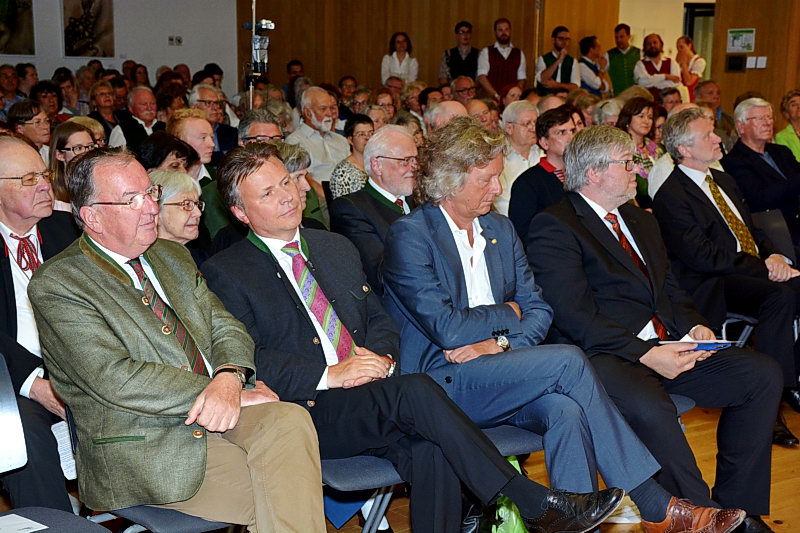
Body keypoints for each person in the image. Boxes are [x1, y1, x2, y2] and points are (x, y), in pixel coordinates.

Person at [200, 141, 628, 533]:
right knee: (419, 390)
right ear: (241, 212)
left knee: (432, 449)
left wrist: (382, 360)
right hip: (309, 409)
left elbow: (380, 319)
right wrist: (331, 374)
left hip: (376, 394)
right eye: (268, 193)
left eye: (286, 182)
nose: (288, 196)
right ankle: (531, 501)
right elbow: (248, 356)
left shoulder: (333, 247)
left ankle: (522, 506)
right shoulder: (228, 272)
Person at [380, 117, 746, 533]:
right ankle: (655, 504)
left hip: (503, 370)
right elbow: (447, 328)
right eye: (486, 180)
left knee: (566, 410)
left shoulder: (499, 229)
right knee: (569, 361)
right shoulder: (411, 235)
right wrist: (510, 313)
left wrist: (500, 344)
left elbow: (539, 310)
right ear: (450, 180)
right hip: (439, 385)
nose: (497, 189)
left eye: (498, 177)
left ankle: (580, 521)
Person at [27, 147, 326, 532]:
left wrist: (230, 378)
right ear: (92, 217)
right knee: (287, 491)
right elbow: (114, 378)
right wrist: (216, 391)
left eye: (149, 192)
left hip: (220, 409)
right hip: (143, 441)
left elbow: (226, 326)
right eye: (132, 200)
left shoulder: (171, 256)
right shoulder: (59, 283)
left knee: (290, 420)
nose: (151, 208)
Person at [528, 124, 779, 533]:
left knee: (760, 374)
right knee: (651, 408)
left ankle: (738, 509)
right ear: (593, 173)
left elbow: (669, 288)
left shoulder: (639, 219)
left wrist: (694, 325)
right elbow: (574, 315)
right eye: (627, 163)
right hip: (606, 354)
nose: (636, 172)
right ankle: (699, 515)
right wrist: (645, 353)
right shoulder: (555, 225)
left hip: (665, 343)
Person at [652, 107, 800, 452]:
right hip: (712, 283)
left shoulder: (723, 181)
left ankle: (790, 379)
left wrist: (776, 257)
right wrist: (762, 267)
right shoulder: (672, 195)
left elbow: (751, 232)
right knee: (779, 296)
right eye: (708, 135)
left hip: (746, 271)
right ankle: (774, 401)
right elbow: (702, 256)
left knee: (792, 286)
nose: (718, 138)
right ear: (684, 148)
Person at [0, 134, 78, 513]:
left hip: (80, 364)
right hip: (10, 377)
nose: (46, 186)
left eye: (44, 174)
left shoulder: (70, 229)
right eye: (29, 179)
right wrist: (35, 384)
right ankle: (55, 521)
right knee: (22, 431)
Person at [330, 125, 415, 293]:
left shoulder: (421, 199)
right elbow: (380, 276)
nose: (414, 167)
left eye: (415, 159)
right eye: (405, 160)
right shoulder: (351, 209)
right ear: (377, 165)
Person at [722, 98, 800, 245]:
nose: (768, 123)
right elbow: (761, 197)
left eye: (769, 117)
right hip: (772, 231)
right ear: (740, 126)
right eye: (760, 118)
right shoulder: (734, 161)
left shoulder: (781, 152)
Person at [508, 106, 574, 245]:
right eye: (561, 133)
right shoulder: (527, 183)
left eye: (572, 131)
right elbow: (523, 234)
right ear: (544, 143)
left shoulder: (584, 174)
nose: (571, 138)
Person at [167, 109, 232, 239]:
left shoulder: (220, 180)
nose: (212, 144)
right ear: (179, 141)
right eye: (203, 138)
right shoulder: (164, 183)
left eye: (211, 137)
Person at [286, 86, 350, 185]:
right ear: (308, 113)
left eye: (331, 108)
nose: (329, 113)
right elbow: (302, 180)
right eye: (323, 108)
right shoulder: (294, 142)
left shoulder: (341, 140)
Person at [148, 169, 207, 265]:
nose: (198, 213)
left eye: (197, 204)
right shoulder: (143, 264)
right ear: (156, 210)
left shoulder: (202, 260)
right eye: (187, 204)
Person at [494, 100, 540, 216]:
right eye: (527, 123)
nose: (533, 128)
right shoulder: (499, 160)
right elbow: (501, 205)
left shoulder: (543, 155)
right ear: (509, 128)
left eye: (535, 123)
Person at [616, 97, 663, 207]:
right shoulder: (621, 151)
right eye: (641, 116)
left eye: (650, 117)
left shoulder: (658, 148)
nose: (646, 121)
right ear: (628, 119)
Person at [49, 121, 97, 212]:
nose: (86, 153)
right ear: (60, 155)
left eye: (90, 146)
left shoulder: (99, 183)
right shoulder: (51, 194)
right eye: (78, 148)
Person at [477, 18, 526, 101]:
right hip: (492, 100)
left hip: (512, 102)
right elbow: (482, 77)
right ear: (495, 32)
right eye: (500, 30)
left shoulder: (519, 53)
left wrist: (515, 96)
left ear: (510, 31)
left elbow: (522, 78)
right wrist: (496, 95)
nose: (504, 33)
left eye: (506, 29)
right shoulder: (486, 52)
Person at [189, 84, 238, 166]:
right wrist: (221, 155)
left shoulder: (231, 133)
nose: (215, 108)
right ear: (194, 107)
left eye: (217, 103)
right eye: (208, 103)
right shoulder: (187, 132)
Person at [108, 87, 165, 152]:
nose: (149, 108)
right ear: (131, 108)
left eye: (153, 103)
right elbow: (113, 156)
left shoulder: (165, 127)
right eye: (144, 104)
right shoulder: (121, 130)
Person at [330, 114, 373, 199]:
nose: (368, 138)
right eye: (361, 134)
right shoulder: (343, 172)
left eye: (371, 133)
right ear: (350, 140)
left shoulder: (379, 164)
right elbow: (343, 204)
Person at [634, 34, 681, 101]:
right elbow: (642, 82)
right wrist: (665, 77)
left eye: (655, 42)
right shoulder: (640, 64)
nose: (652, 45)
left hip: (669, 104)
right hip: (648, 103)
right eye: (648, 44)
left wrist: (652, 82)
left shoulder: (671, 62)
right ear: (644, 47)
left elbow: (676, 82)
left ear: (661, 45)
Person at [536, 26, 580, 96]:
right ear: (553, 40)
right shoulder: (543, 59)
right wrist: (559, 60)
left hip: (565, 99)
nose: (564, 42)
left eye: (567, 39)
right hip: (545, 97)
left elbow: (576, 86)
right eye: (561, 38)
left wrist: (556, 85)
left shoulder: (573, 61)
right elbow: (542, 79)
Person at [8, 100, 51, 164]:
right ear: (20, 129)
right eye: (37, 122)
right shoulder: (13, 157)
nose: (46, 126)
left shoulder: (51, 153)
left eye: (47, 120)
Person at [603, 24, 640, 96]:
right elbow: (600, 75)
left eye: (621, 37)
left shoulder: (639, 53)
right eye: (616, 37)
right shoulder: (608, 55)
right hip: (618, 96)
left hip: (636, 96)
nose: (618, 40)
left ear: (629, 36)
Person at [775, 89, 800, 162]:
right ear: (786, 113)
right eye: (794, 105)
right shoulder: (781, 137)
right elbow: (789, 163)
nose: (799, 106)